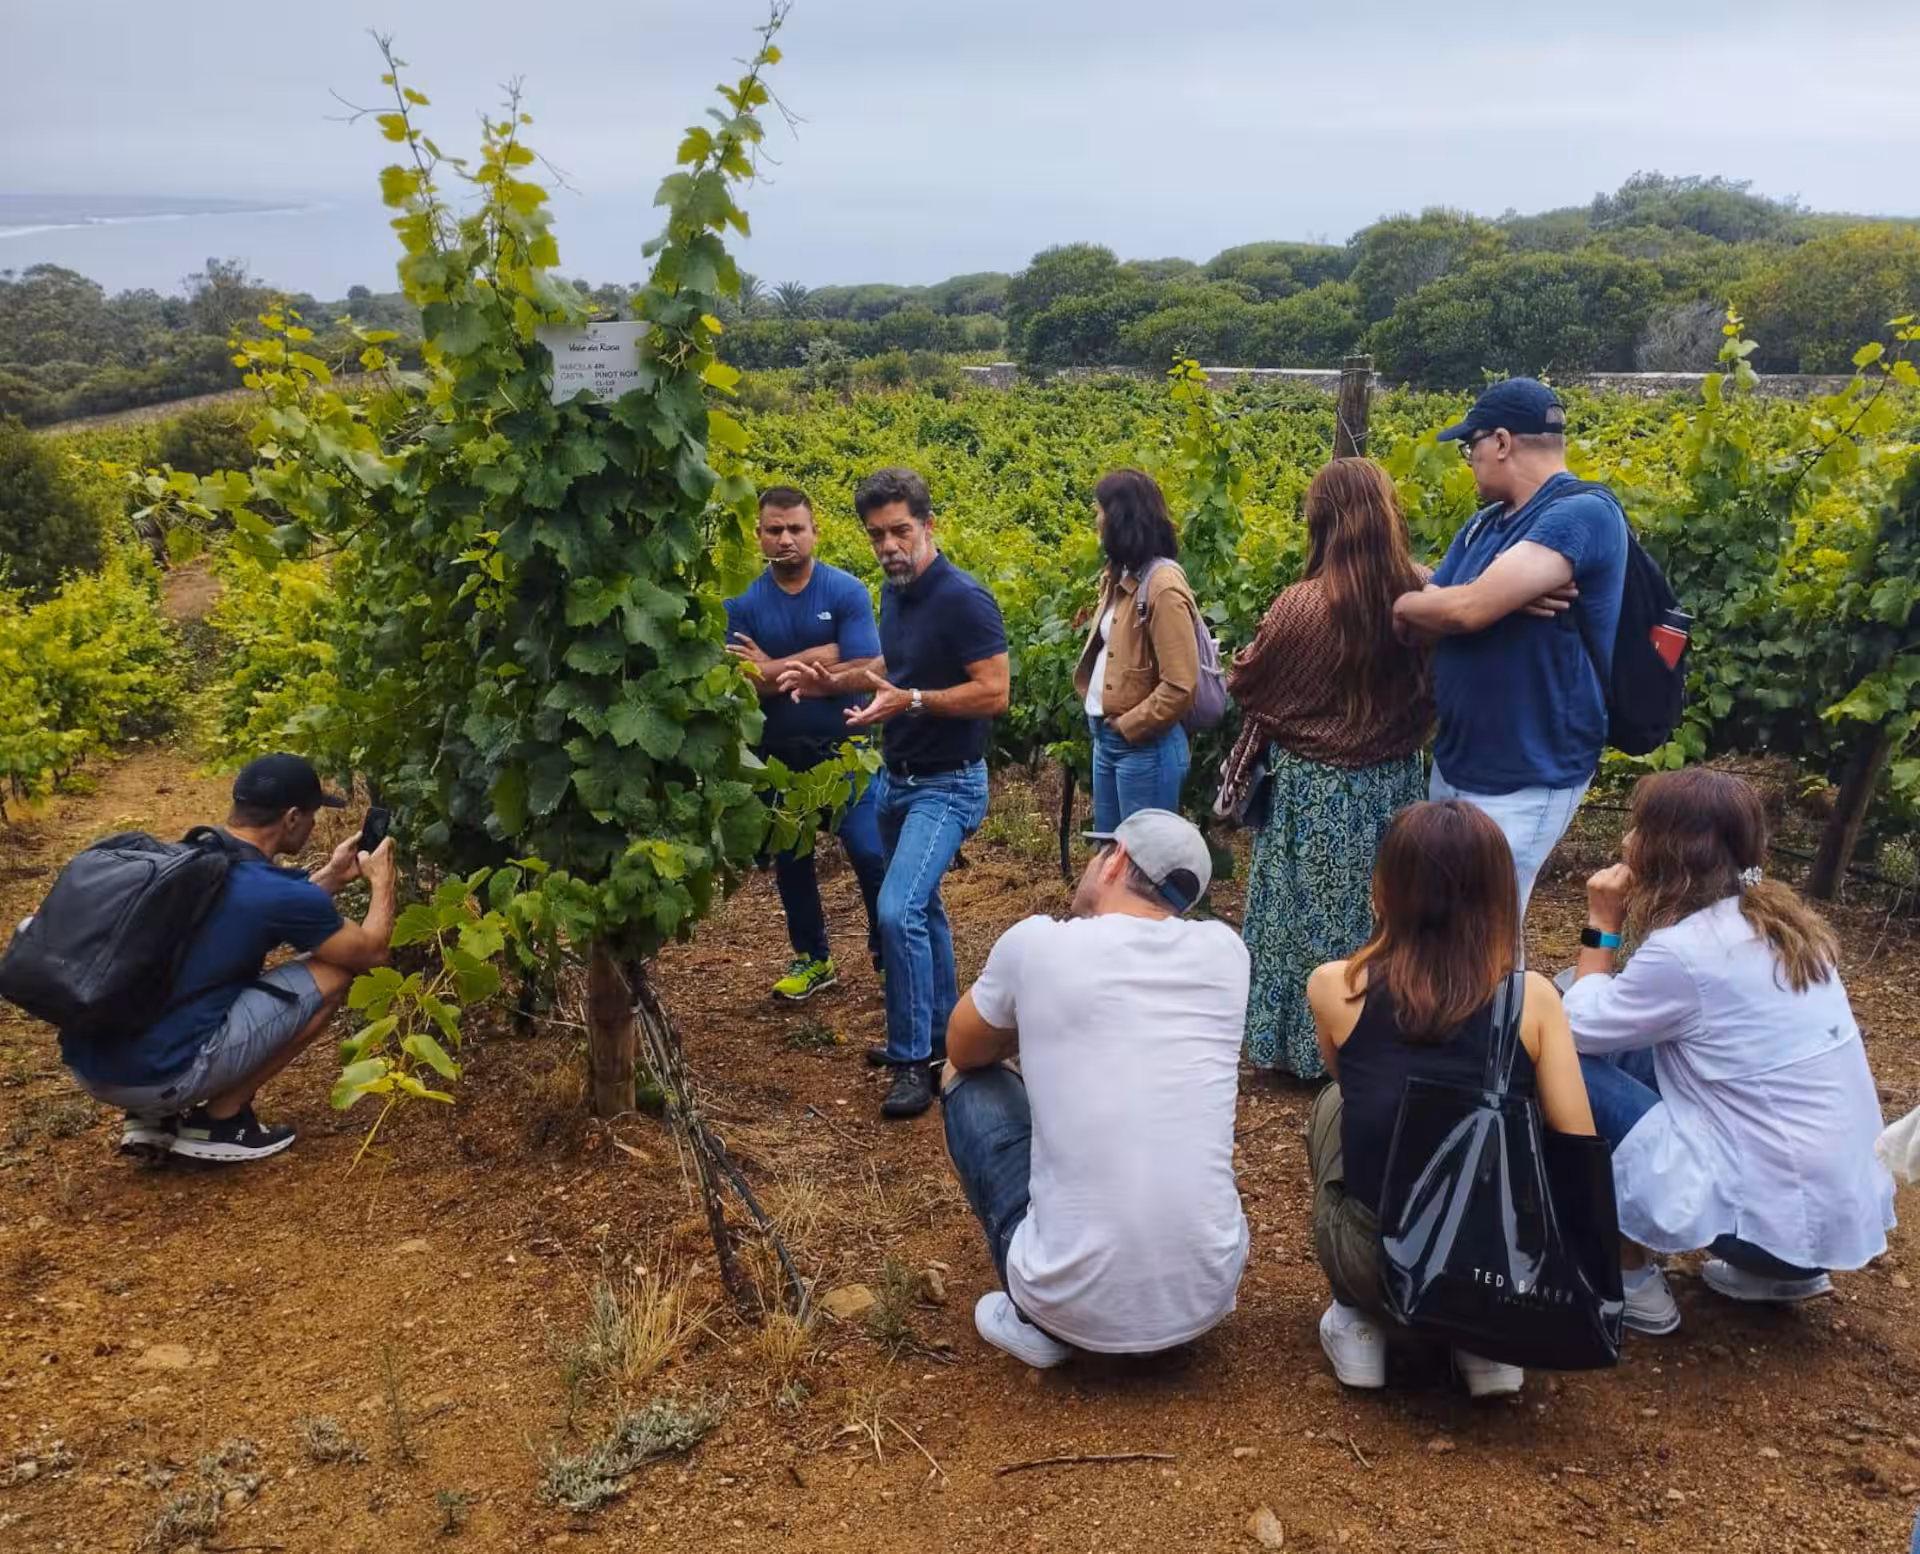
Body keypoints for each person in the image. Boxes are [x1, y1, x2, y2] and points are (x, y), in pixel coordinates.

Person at [1562, 769, 1894, 1334]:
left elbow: (1574, 1028)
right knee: (1624, 1033)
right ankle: (1782, 1274)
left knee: (1558, 1056)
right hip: (1822, 1230)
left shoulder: (1686, 952)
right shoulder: (1786, 926)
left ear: (1670, 852)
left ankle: (1629, 1276)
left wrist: (1601, 925)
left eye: (1638, 829)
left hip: (1763, 1234)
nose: (1625, 841)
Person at [1305, 800, 1597, 1399]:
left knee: (1333, 1103)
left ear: (1386, 887)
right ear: (1498, 897)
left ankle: (1358, 1319)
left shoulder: (1338, 985)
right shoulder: (1534, 1000)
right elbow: (1578, 1144)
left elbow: (1353, 1085)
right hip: (1499, 1268)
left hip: (1376, 1264)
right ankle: (1484, 1340)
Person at [939, 808, 1250, 1369]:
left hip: (1063, 1303)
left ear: (1116, 861)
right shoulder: (1228, 953)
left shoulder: (1037, 945)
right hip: (1205, 1295)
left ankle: (1034, 1317)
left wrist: (1033, 1022)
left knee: (963, 1077)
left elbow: (962, 1047)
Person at [778, 468, 1010, 1120]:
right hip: (897, 779)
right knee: (922, 910)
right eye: (877, 534)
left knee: (896, 910)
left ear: (929, 525)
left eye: (900, 531)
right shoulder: (896, 590)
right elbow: (892, 664)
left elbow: (994, 691)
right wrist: (834, 682)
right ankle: (941, 1039)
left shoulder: (964, 599)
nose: (888, 546)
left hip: (948, 784)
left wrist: (911, 700)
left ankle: (913, 1062)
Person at [60, 755, 397, 1163]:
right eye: (312, 815)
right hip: (160, 1076)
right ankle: (221, 1121)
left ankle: (151, 1119)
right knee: (335, 973)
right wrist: (382, 881)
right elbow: (372, 954)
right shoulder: (275, 892)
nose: (313, 825)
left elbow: (258, 907)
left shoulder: (190, 857)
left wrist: (330, 877)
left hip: (93, 1066)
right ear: (292, 818)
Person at [1222, 458, 1432, 1079]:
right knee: (1388, 913)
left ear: (1321, 521)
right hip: (1394, 784)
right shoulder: (1424, 592)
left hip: (1313, 790)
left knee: (1300, 917)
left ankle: (1309, 1048)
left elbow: (1248, 681)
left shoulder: (1302, 605)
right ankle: (1388, 1038)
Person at [1392, 379, 1628, 919]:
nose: (1469, 461)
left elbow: (1461, 611)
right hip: (1459, 762)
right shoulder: (1483, 526)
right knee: (1442, 922)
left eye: (1469, 446)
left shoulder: (1583, 513)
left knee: (1483, 931)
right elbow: (1417, 626)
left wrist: (1431, 603)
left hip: (1527, 773)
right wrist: (1450, 604)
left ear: (1501, 442)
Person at [725, 485, 887, 1003]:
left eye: (796, 528)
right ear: (759, 535)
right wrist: (825, 653)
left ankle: (888, 953)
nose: (786, 539)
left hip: (847, 755)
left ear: (814, 532)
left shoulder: (846, 591)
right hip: (777, 759)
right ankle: (814, 959)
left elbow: (865, 667)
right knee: (792, 863)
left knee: (870, 851)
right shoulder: (740, 601)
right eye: (775, 529)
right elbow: (741, 682)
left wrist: (771, 665)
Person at [1072, 468, 1199, 831]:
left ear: (1121, 517)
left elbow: (1180, 685)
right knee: (1112, 854)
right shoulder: (1122, 575)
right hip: (1109, 741)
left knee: (1142, 859)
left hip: (1144, 748)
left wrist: (1129, 725)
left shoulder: (1163, 586)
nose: (1097, 519)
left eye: (1101, 510)